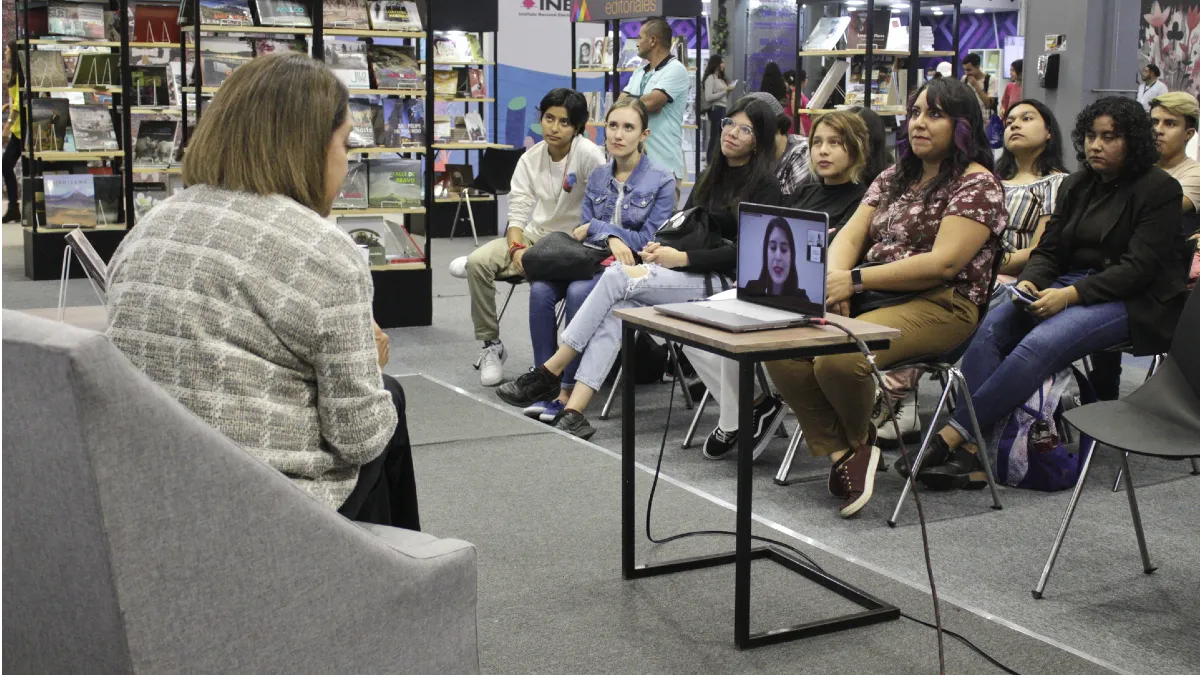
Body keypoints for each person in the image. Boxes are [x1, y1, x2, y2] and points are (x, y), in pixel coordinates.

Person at [104, 54, 419, 528]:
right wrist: (369, 368)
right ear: (311, 147)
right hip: (262, 505)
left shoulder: (148, 228)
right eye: (345, 143)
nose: (347, 161)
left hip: (146, 487)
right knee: (387, 401)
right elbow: (358, 436)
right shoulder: (325, 251)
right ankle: (392, 567)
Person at [916, 96, 1189, 490]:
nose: (1096, 145)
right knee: (990, 329)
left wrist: (1069, 296)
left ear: (1133, 141)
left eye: (1109, 137)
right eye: (1091, 136)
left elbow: (1138, 270)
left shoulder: (1160, 189)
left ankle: (954, 438)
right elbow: (1049, 251)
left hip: (1135, 300)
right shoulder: (1077, 184)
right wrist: (1030, 281)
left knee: (1040, 342)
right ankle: (973, 451)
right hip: (1072, 284)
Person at [766, 77, 1007, 518]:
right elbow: (850, 235)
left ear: (963, 125)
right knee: (781, 346)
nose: (919, 123)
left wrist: (854, 282)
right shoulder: (894, 177)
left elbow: (944, 264)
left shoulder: (978, 185)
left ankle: (856, 446)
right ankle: (849, 452)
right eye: (914, 113)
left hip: (944, 303)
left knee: (840, 359)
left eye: (934, 114)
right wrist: (837, 280)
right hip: (873, 294)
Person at [494, 96, 783, 439]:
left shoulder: (765, 186)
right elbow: (684, 229)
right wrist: (664, 248)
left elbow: (749, 256)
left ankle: (551, 370)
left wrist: (682, 258)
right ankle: (574, 410)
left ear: (759, 140)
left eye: (744, 129)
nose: (732, 132)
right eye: (729, 123)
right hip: (681, 271)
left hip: (724, 282)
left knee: (616, 277)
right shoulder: (711, 175)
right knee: (619, 308)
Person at [875, 98, 1068, 447]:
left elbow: (1042, 250)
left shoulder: (1056, 183)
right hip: (966, 268)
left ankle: (894, 393)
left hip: (1015, 276)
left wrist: (984, 259)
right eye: (1010, 119)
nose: (1015, 124)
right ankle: (901, 398)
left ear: (1049, 132)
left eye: (1027, 118)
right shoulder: (988, 178)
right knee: (915, 288)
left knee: (964, 294)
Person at [688, 110, 873, 460]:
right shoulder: (804, 192)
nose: (823, 150)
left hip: (813, 300)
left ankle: (737, 418)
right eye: (817, 142)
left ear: (856, 149)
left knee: (730, 329)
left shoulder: (863, 201)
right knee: (693, 326)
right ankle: (754, 405)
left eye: (835, 143)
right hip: (772, 289)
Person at [521, 98, 676, 424]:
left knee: (578, 292)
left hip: (632, 269)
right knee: (540, 290)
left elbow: (650, 241)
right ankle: (544, 383)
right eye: (613, 126)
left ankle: (566, 392)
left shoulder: (662, 180)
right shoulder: (598, 176)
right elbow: (584, 233)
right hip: (590, 259)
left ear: (644, 135)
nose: (618, 135)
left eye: (628, 127)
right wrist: (608, 236)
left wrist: (601, 230)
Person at [451, 88, 606, 387]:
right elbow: (518, 213)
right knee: (479, 262)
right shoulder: (530, 158)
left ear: (577, 127)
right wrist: (517, 249)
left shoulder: (589, 155)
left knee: (530, 280)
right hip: (536, 237)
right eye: (549, 118)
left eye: (564, 122)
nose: (554, 127)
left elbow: (602, 210)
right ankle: (491, 345)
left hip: (575, 244)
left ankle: (560, 368)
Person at [621, 17, 690, 189]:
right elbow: (619, 105)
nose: (637, 43)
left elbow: (652, 102)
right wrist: (642, 103)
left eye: (640, 37)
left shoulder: (676, 69)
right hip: (635, 168)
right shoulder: (639, 71)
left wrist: (642, 102)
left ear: (652, 40)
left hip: (663, 167)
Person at [744, 91, 809, 196]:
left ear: (776, 127)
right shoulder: (751, 152)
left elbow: (791, 202)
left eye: (754, 128)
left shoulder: (801, 151)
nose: (749, 135)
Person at [1150, 92, 1200, 214]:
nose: (1158, 130)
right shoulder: (1138, 165)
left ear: (1188, 134)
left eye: (1170, 124)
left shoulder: (1195, 174)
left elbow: (1160, 211)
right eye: (1154, 122)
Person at [742, 216, 809, 298]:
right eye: (773, 248)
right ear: (765, 253)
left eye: (784, 249)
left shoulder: (802, 299)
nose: (778, 257)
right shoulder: (751, 289)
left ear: (792, 256)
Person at [1, 41, 22, 223]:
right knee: (6, 166)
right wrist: (8, 105)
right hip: (19, 131)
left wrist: (7, 126)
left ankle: (17, 208)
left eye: (7, 50)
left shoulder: (21, 74)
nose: (5, 53)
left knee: (7, 166)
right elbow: (16, 99)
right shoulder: (15, 73)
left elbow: (19, 103)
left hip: (23, 131)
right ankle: (14, 208)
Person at [702, 54, 734, 161]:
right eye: (722, 62)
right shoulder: (710, 78)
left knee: (719, 135)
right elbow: (708, 97)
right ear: (716, 64)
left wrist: (728, 91)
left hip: (722, 108)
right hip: (716, 109)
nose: (724, 65)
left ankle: (714, 160)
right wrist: (725, 91)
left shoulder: (720, 79)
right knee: (715, 136)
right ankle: (710, 160)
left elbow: (724, 96)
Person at [961, 53, 998, 119]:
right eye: (964, 70)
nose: (966, 73)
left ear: (978, 66)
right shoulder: (964, 79)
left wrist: (976, 85)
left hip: (986, 120)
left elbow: (989, 104)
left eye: (969, 70)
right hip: (969, 119)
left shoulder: (991, 80)